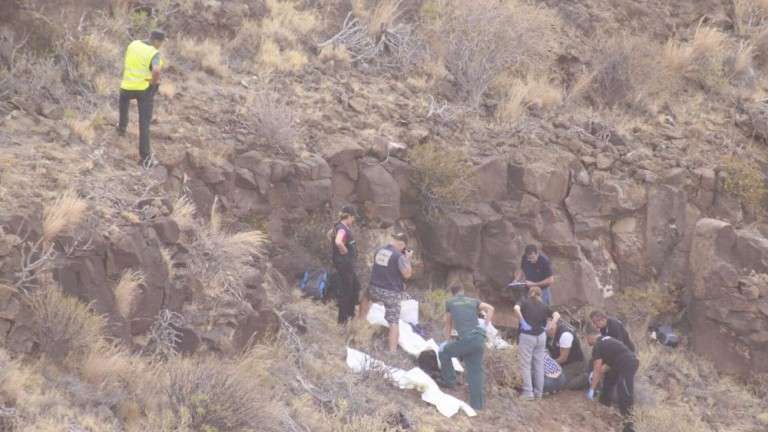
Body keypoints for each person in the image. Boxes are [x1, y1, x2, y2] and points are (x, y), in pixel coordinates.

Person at [439, 284, 495, 411]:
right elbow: (491, 308)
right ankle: (477, 406)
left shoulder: (450, 302)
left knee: (444, 352)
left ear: (452, 293)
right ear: (462, 291)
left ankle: (449, 382)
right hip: (479, 338)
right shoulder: (473, 301)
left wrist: (447, 342)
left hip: (468, 339)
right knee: (475, 372)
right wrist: (485, 325)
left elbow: (448, 324)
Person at [117, 30, 165, 167]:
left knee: (124, 103)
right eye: (161, 43)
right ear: (156, 41)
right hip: (143, 90)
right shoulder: (154, 53)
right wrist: (153, 83)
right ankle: (145, 158)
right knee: (144, 123)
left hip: (126, 86)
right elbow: (156, 70)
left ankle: (121, 128)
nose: (161, 45)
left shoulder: (133, 44)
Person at [586, 328, 640, 432]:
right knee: (609, 380)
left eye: (586, 339)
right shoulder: (607, 340)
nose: (587, 342)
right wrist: (595, 377)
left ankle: (629, 426)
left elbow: (597, 369)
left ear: (590, 337)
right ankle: (604, 403)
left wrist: (592, 389)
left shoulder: (598, 345)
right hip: (619, 363)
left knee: (624, 392)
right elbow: (605, 367)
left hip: (628, 363)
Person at [367, 232, 413, 352]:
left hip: (374, 288)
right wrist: (408, 260)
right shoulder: (399, 257)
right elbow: (407, 274)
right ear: (402, 245)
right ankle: (392, 352)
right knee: (393, 322)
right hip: (391, 293)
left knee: (365, 299)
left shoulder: (379, 250)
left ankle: (359, 324)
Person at [515, 286, 560, 401]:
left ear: (530, 293)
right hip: (541, 336)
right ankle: (538, 393)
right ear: (540, 295)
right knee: (539, 365)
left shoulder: (524, 301)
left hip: (527, 336)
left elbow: (516, 308)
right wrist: (551, 325)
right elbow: (557, 315)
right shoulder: (544, 306)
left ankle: (528, 392)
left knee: (526, 364)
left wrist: (522, 321)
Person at [332, 205, 360, 324]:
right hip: (345, 265)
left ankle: (350, 314)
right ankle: (342, 321)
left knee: (355, 287)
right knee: (346, 292)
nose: (353, 220)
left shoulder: (340, 227)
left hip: (347, 265)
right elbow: (338, 241)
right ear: (348, 216)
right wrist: (345, 251)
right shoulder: (342, 228)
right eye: (353, 218)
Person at [547, 319, 588, 390]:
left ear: (551, 328)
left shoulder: (565, 335)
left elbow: (563, 358)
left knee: (561, 384)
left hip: (574, 363)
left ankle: (586, 377)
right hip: (562, 364)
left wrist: (549, 364)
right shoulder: (550, 336)